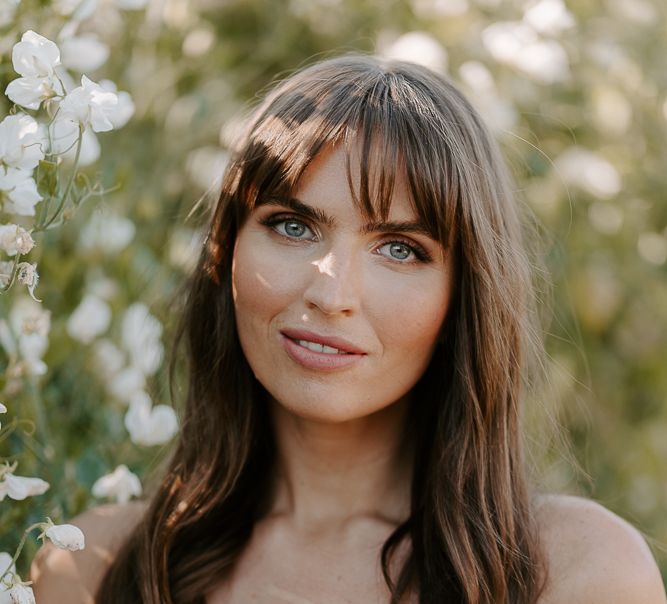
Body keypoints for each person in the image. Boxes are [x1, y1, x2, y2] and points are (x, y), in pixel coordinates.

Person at [31, 54, 666, 604]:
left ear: (463, 297)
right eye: (292, 225)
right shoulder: (91, 569)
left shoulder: (581, 573)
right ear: (225, 254)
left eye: (400, 248)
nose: (331, 294)